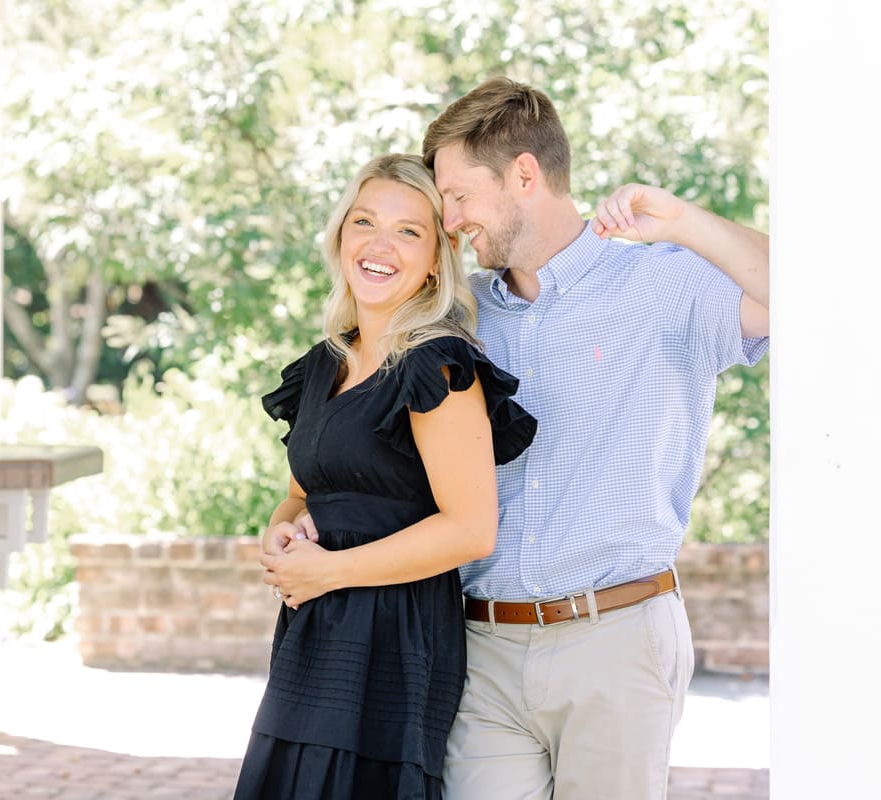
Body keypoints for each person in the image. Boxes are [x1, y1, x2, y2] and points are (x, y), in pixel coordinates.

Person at [269, 77, 769, 799]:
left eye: (460, 195)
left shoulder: (664, 285)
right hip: (480, 648)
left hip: (615, 634)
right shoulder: (460, 317)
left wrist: (687, 222)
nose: (451, 216)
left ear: (524, 175)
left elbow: (813, 290)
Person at [234, 153, 537, 800]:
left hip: (397, 638)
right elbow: (300, 496)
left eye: (408, 231)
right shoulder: (323, 366)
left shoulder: (437, 366)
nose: (379, 245)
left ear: (436, 258)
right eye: (364, 221)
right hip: (316, 628)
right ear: (340, 236)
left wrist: (331, 571)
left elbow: (470, 530)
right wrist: (280, 538)